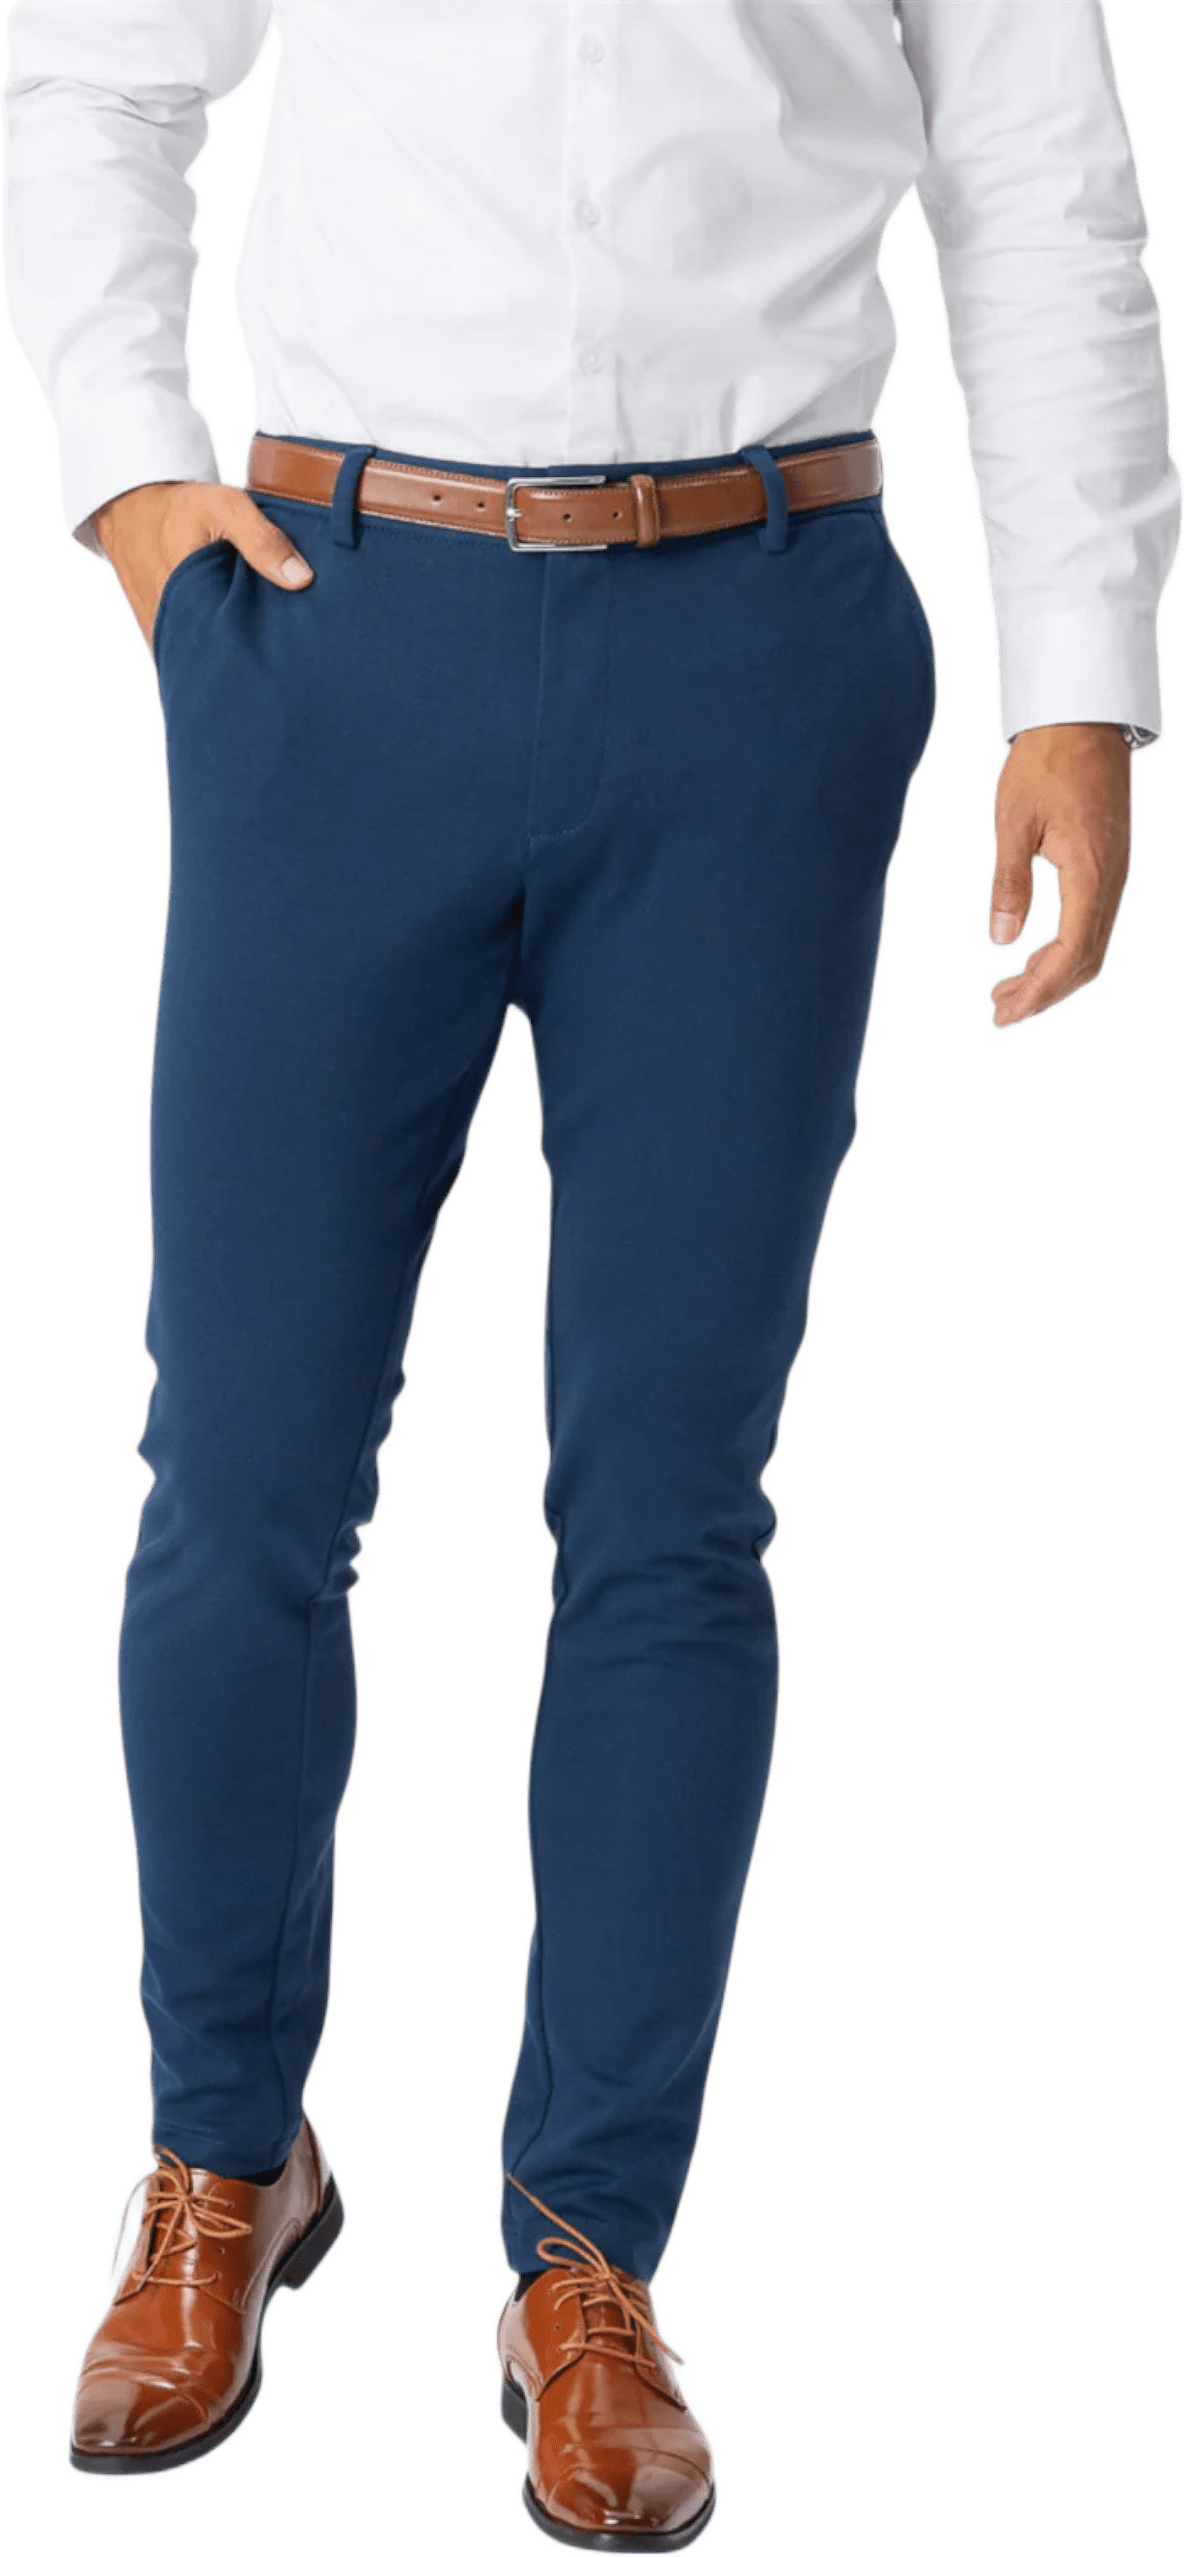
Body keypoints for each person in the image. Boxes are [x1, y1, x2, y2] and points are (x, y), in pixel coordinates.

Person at [1, 2, 1178, 2547]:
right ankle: (219, 2162)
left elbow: (1038, 180)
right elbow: (97, 69)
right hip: (337, 620)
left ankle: (589, 2266)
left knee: (669, 1507)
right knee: (238, 1472)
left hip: (761, 646)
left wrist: (1083, 676)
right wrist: (128, 463)